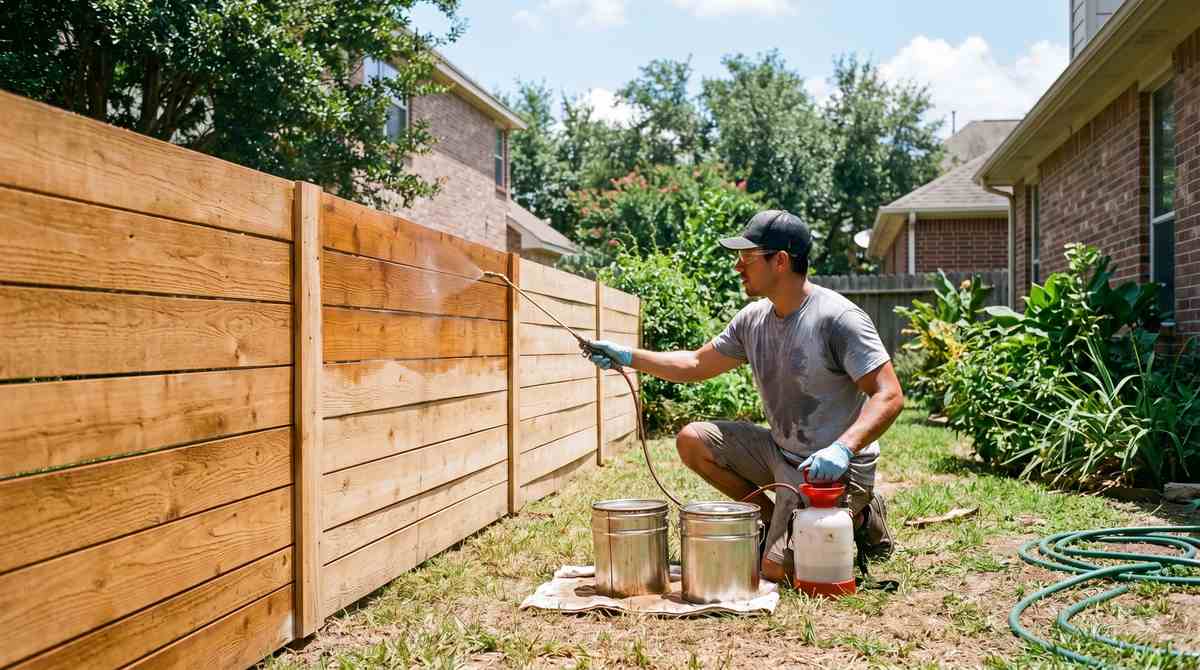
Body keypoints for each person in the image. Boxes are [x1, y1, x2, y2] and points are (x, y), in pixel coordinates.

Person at [587, 209, 903, 584]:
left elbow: (890, 395)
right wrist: (626, 356)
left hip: (834, 469)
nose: (738, 266)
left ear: (780, 261)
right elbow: (695, 363)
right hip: (781, 453)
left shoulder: (838, 319)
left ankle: (862, 514)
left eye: (748, 257)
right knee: (693, 441)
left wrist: (843, 448)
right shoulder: (753, 319)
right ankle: (774, 521)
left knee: (775, 571)